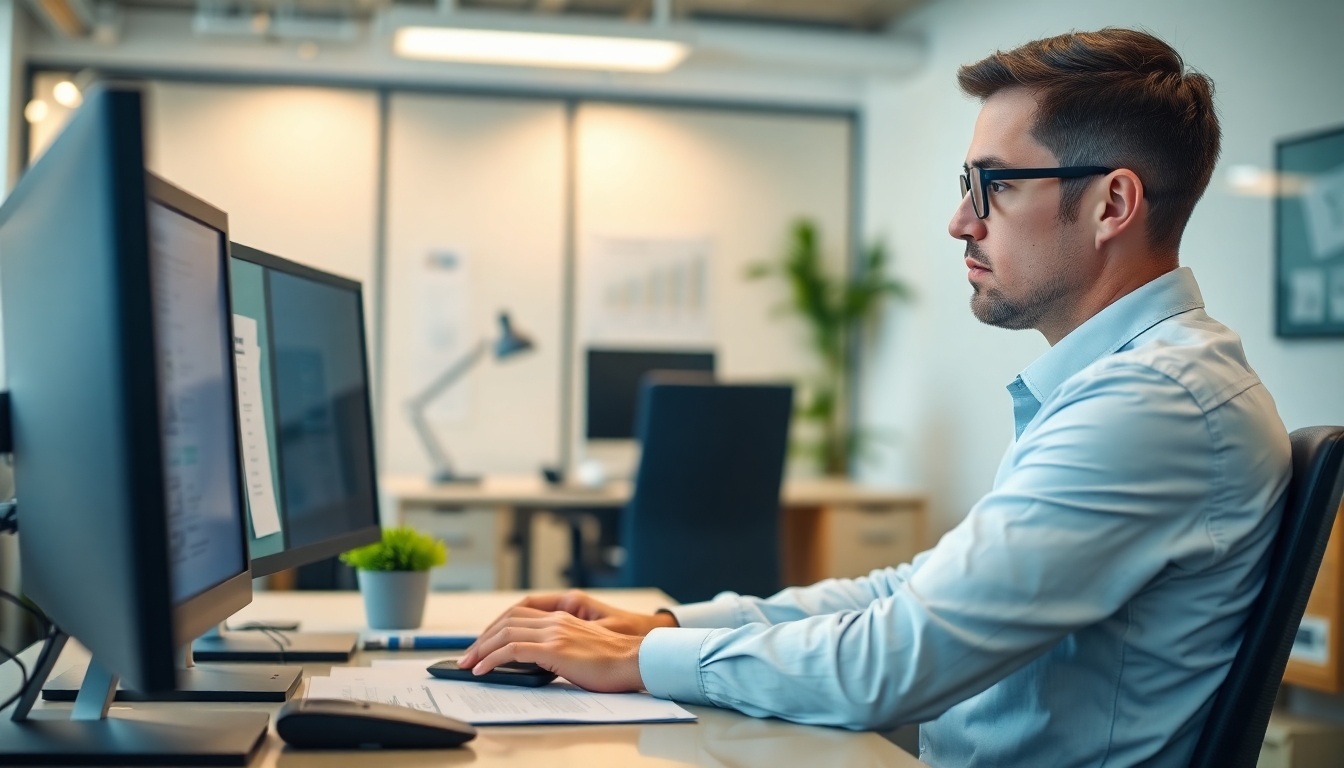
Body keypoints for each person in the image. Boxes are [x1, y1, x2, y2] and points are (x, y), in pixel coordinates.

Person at [455, 28, 1292, 766]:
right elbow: (911, 595)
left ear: (1112, 202)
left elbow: (896, 659)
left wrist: (641, 665)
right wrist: (670, 630)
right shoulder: (1127, 385)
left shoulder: (1152, 403)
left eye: (993, 185)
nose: (961, 222)